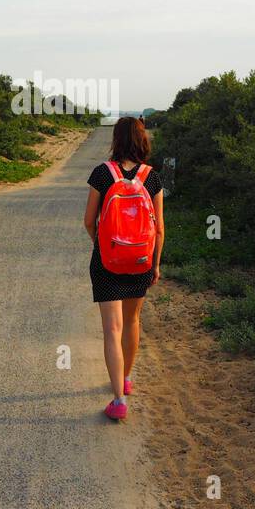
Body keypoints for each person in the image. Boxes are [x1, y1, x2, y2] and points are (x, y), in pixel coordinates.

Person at [82, 117, 164, 421]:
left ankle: (117, 400)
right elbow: (159, 229)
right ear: (142, 140)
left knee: (111, 330)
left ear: (115, 139)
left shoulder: (102, 173)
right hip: (141, 261)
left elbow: (89, 221)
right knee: (132, 322)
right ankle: (126, 380)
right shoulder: (151, 177)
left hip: (107, 261)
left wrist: (102, 245)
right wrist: (154, 264)